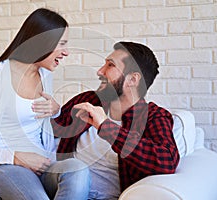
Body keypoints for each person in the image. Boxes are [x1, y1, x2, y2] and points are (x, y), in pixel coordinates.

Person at [0, 8, 90, 200]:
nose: (66, 52)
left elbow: (37, 122)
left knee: (78, 169)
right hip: (6, 166)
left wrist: (55, 111)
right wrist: (16, 157)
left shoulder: (45, 75)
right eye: (61, 44)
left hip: (43, 163)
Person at [50, 41, 180, 199]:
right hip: (59, 187)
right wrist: (52, 113)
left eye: (110, 65)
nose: (100, 71)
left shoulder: (153, 116)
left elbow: (166, 162)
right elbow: (51, 131)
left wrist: (106, 127)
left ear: (132, 79)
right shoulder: (89, 100)